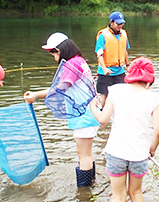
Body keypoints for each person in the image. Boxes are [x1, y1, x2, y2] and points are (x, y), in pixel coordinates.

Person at [23, 32, 100, 187]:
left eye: (53, 53)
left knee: (83, 155)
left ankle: (83, 192)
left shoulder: (70, 65)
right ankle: (91, 185)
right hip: (91, 112)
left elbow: (60, 88)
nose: (53, 56)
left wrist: (36, 95)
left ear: (59, 50)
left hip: (83, 115)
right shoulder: (79, 61)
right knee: (88, 153)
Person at [90, 57, 159, 202]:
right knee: (136, 193)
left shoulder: (115, 91)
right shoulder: (154, 98)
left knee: (118, 195)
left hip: (116, 152)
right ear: (150, 78)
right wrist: (152, 149)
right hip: (139, 154)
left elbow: (103, 120)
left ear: (130, 74)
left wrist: (93, 106)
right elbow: (158, 131)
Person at [95, 11, 131, 108]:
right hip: (105, 72)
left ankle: (119, 117)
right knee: (104, 94)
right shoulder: (103, 35)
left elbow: (125, 51)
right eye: (118, 24)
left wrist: (127, 65)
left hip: (119, 71)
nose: (120, 26)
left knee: (122, 95)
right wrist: (104, 68)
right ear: (112, 22)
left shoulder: (123, 34)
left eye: (122, 24)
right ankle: (99, 117)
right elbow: (99, 54)